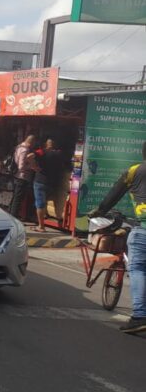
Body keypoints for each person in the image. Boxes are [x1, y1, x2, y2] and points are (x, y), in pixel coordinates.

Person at [91, 141, 146, 334]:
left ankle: (139, 316)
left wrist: (98, 211)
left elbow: (113, 195)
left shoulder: (134, 171)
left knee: (138, 269)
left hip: (144, 228)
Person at [9, 135, 37, 219]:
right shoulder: (25, 150)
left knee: (16, 196)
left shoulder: (18, 147)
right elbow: (21, 167)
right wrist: (31, 167)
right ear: (31, 142)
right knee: (18, 198)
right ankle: (14, 216)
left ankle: (11, 213)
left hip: (17, 175)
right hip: (22, 177)